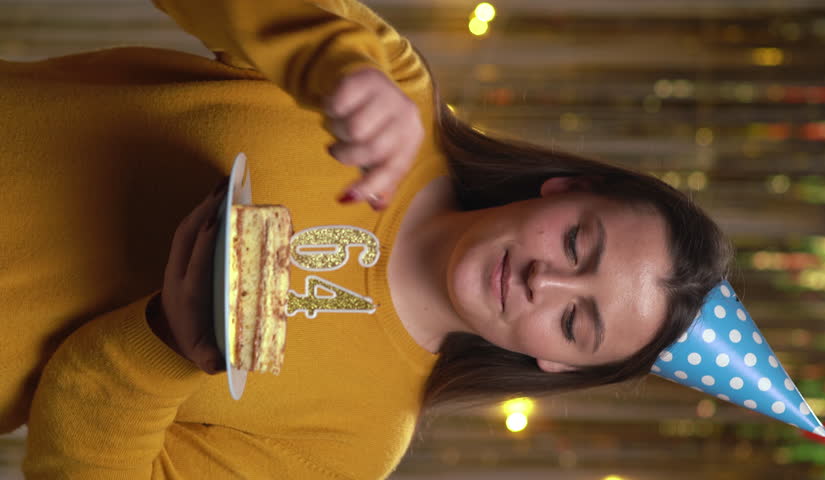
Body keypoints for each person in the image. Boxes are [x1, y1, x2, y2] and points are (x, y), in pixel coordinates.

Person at [0, 0, 732, 478]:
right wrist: (331, 61)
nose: (549, 281)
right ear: (566, 191)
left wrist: (159, 345)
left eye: (576, 321)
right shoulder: (395, 87)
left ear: (550, 363)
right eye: (579, 244)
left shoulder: (354, 448)